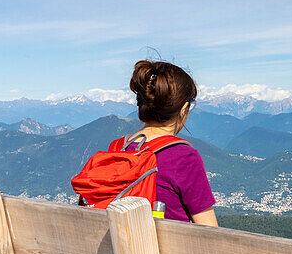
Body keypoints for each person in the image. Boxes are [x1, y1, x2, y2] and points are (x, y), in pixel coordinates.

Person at [72, 60, 217, 226]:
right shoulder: (184, 158)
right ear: (184, 110)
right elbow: (210, 231)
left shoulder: (116, 149)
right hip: (157, 252)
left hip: (111, 250)